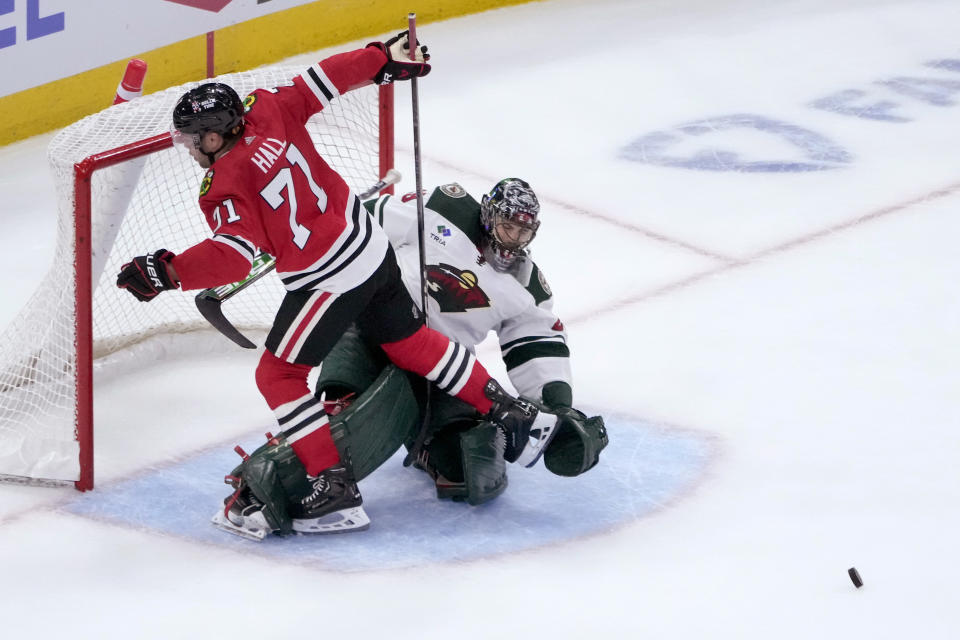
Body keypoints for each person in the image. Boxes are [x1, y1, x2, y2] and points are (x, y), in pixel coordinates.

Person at [115, 34, 549, 539]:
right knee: (411, 343)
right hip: (369, 244)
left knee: (277, 376)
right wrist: (382, 61)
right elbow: (325, 78)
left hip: (329, 277)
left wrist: (166, 272)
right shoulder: (267, 108)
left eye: (193, 140)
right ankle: (510, 410)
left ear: (214, 137)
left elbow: (232, 258)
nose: (190, 149)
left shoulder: (224, 187)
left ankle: (333, 489)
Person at [316, 178, 608, 506]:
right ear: (488, 213)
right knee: (344, 416)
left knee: (476, 467)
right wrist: (327, 229)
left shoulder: (525, 287)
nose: (514, 240)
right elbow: (373, 219)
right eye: (507, 226)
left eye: (523, 233)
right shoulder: (444, 207)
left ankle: (423, 439)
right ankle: (333, 415)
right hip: (377, 330)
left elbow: (537, 343)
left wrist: (559, 406)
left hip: (442, 368)